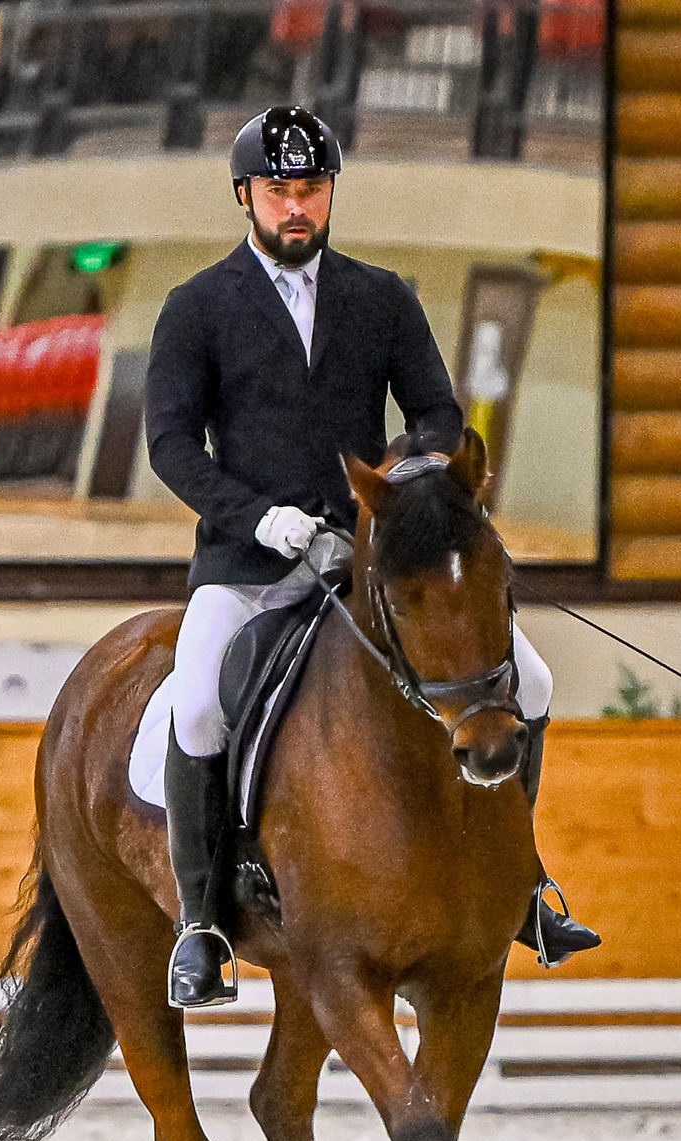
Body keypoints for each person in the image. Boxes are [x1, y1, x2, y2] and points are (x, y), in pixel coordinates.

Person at [142, 105, 596, 1010]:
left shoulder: (382, 297)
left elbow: (436, 409)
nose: (296, 205)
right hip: (250, 563)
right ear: (246, 197)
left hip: (370, 562)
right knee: (196, 705)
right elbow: (170, 445)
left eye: (310, 188)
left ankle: (524, 885)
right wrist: (257, 517)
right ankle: (201, 926)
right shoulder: (196, 306)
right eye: (278, 190)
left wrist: (414, 471)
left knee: (530, 684)